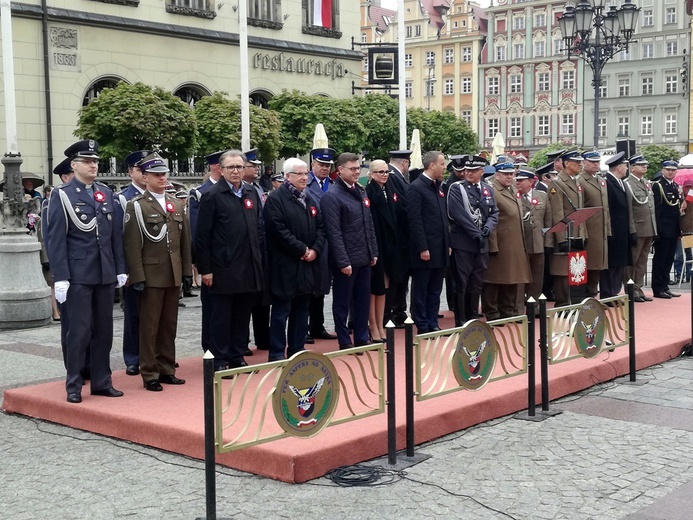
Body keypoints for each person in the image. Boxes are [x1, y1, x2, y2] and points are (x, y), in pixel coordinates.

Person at [45, 139, 127, 404]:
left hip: (103, 273)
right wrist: (61, 277)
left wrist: (120, 268)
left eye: (95, 161)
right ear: (74, 165)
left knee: (104, 330)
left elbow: (114, 235)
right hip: (78, 274)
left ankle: (102, 381)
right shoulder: (63, 194)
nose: (94, 166)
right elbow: (56, 239)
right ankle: (74, 384)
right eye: (88, 162)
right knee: (79, 331)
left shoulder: (105, 192)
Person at [123, 153, 192, 391]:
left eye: (164, 174)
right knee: (149, 326)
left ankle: (167, 368)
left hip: (172, 272)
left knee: (168, 325)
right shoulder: (137, 206)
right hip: (151, 274)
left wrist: (186, 271)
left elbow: (184, 241)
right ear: (145, 177)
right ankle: (149, 372)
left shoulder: (176, 203)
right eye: (156, 174)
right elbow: (132, 245)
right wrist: (138, 276)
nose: (162, 178)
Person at [195, 150, 264, 372]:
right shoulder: (212, 196)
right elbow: (202, 237)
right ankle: (220, 358)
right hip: (222, 267)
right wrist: (206, 269)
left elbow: (258, 228)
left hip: (248, 265)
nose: (236, 171)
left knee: (242, 315)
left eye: (239, 167)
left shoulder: (251, 193)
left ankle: (237, 355)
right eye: (231, 167)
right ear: (221, 170)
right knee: (221, 317)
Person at [264, 158, 325, 361]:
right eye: (299, 174)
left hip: (307, 266)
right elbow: (278, 230)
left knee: (302, 311)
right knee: (281, 312)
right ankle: (277, 354)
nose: (304, 177)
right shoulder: (275, 199)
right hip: (285, 265)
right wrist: (301, 249)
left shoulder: (309, 200)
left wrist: (315, 249)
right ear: (287, 176)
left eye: (306, 173)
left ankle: (297, 351)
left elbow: (321, 228)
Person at [321, 152, 379, 349]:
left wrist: (373, 251)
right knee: (342, 303)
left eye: (358, 168)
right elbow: (333, 232)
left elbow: (368, 223)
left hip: (364, 256)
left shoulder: (361, 191)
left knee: (363, 300)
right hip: (346, 260)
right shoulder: (332, 196)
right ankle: (344, 340)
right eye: (353, 169)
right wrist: (342, 261)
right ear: (340, 170)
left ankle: (362, 337)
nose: (357, 172)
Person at [447, 154, 498, 326]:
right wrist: (476, 233)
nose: (469, 173)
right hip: (463, 242)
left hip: (481, 243)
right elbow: (458, 214)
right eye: (467, 170)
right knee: (461, 282)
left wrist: (488, 228)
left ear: (481, 172)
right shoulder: (457, 188)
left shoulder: (487, 189)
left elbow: (494, 212)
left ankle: (473, 316)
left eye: (473, 170)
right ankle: (461, 320)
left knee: (476, 283)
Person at [115, 150, 151, 376]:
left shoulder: (161, 194)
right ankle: (133, 357)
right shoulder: (122, 197)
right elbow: (120, 236)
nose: (145, 174)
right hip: (134, 265)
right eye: (140, 170)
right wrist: (124, 269)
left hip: (158, 264)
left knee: (157, 314)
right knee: (134, 313)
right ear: (131, 172)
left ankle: (154, 354)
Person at [407, 151, 450, 334]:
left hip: (440, 247)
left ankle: (433, 321)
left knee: (435, 289)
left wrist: (447, 244)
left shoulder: (438, 186)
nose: (445, 167)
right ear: (432, 165)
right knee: (422, 288)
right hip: (425, 249)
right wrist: (422, 247)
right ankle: (422, 323)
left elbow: (443, 218)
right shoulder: (417, 188)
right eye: (442, 163)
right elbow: (414, 221)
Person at [365, 159, 408, 341]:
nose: (384, 175)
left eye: (386, 172)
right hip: (377, 245)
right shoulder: (369, 192)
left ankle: (382, 323)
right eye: (380, 172)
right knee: (375, 287)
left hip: (391, 245)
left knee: (386, 286)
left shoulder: (390, 190)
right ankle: (373, 325)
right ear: (372, 174)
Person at [482, 162, 530, 320]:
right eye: (505, 174)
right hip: (501, 243)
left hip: (514, 242)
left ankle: (507, 310)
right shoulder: (492, 190)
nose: (510, 177)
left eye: (512, 174)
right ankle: (492, 311)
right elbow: (491, 219)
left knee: (512, 278)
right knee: (494, 280)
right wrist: (493, 245)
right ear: (497, 174)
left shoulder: (513, 190)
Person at [188, 150, 225, 355]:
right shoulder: (201, 192)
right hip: (212, 259)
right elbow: (197, 231)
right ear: (216, 167)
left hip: (231, 261)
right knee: (212, 308)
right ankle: (210, 348)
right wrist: (201, 262)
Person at [305, 147, 339, 342]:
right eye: (321, 165)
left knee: (323, 285)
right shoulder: (306, 184)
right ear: (313, 165)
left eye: (328, 165)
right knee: (310, 286)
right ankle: (305, 328)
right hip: (313, 241)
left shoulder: (333, 185)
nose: (325, 168)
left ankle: (318, 325)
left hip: (331, 241)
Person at [547, 149, 587, 307]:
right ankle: (563, 304)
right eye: (576, 162)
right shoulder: (557, 183)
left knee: (577, 269)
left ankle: (575, 302)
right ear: (566, 163)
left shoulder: (576, 182)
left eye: (580, 161)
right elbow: (557, 213)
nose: (579, 164)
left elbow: (580, 210)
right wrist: (562, 238)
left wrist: (583, 233)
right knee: (563, 272)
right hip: (565, 234)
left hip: (576, 232)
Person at [601, 152, 636, 298]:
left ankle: (614, 293)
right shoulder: (608, 182)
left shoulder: (621, 182)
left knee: (620, 264)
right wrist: (609, 231)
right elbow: (607, 208)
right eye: (625, 166)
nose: (627, 169)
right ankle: (607, 294)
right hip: (613, 230)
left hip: (623, 230)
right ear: (619, 167)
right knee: (611, 265)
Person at [515, 165, 551, 302]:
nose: (517, 182)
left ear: (531, 181)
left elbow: (548, 221)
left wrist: (548, 243)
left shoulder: (542, 196)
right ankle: (517, 308)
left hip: (538, 244)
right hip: (521, 245)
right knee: (519, 279)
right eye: (517, 180)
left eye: (521, 180)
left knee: (537, 278)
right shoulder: (514, 196)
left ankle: (534, 305)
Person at [385, 150, 413, 328]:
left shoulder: (397, 177)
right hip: (399, 236)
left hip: (401, 237)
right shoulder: (393, 177)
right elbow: (402, 205)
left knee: (402, 276)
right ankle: (396, 310)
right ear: (405, 163)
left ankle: (399, 309)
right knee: (397, 276)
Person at [624, 155, 657, 302]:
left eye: (645, 165)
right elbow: (630, 210)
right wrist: (632, 230)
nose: (644, 167)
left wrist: (654, 228)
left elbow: (650, 207)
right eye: (640, 165)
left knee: (642, 261)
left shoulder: (646, 183)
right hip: (637, 228)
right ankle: (630, 290)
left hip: (648, 228)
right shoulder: (628, 184)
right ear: (632, 168)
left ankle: (639, 288)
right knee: (633, 261)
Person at [579, 150, 611, 298]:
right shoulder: (580, 181)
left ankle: (592, 295)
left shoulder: (601, 181)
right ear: (583, 162)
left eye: (597, 162)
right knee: (589, 266)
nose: (596, 164)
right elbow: (579, 210)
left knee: (598, 265)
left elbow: (606, 209)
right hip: (590, 230)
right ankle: (587, 297)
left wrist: (608, 230)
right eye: (592, 162)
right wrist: (582, 233)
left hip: (601, 230)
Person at [651, 160, 684, 299]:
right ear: (663, 170)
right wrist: (657, 230)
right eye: (668, 169)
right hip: (663, 229)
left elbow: (676, 208)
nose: (670, 172)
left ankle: (665, 286)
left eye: (673, 170)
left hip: (674, 229)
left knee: (669, 259)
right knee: (660, 259)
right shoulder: (658, 186)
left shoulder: (675, 186)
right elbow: (657, 210)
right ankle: (658, 288)